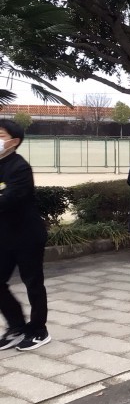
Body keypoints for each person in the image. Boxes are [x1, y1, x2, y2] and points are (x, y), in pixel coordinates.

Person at [0, 120, 51, 351]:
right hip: (4, 237)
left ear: (14, 141)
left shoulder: (20, 167)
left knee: (33, 283)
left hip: (27, 236)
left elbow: (10, 199)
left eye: (1, 135)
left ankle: (39, 330)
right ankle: (16, 327)